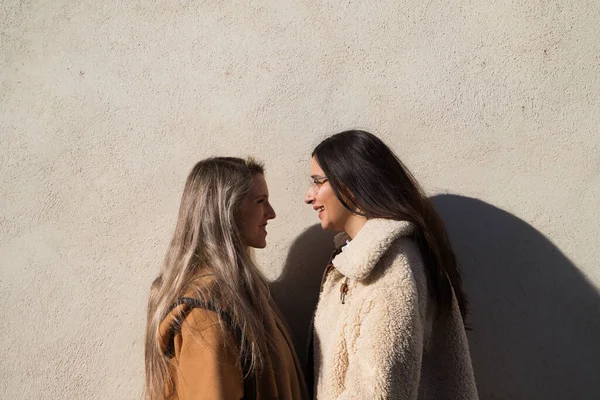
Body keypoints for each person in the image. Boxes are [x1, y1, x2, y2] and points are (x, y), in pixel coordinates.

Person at [304, 130, 478, 399]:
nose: (309, 196)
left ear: (348, 185)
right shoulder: (358, 260)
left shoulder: (392, 265)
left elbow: (379, 389)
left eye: (318, 182)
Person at [144, 157, 308, 400]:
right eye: (261, 201)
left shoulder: (244, 295)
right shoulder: (206, 313)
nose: (271, 213)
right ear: (228, 210)